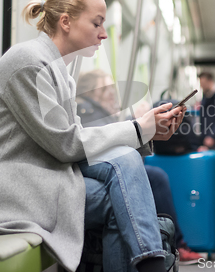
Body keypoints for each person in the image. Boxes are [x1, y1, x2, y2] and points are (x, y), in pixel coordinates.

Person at [0, 0, 186, 272]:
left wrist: (146, 132)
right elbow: (67, 145)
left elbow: (76, 145)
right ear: (66, 22)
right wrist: (138, 129)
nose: (103, 34)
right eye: (96, 23)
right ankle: (151, 264)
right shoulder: (30, 63)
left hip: (31, 176)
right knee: (117, 200)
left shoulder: (59, 71)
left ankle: (150, 263)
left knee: (124, 160)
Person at [76, 70, 204, 265]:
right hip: (94, 170)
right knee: (154, 178)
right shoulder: (89, 112)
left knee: (152, 176)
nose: (113, 94)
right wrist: (138, 126)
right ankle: (169, 248)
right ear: (91, 91)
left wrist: (140, 125)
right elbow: (103, 147)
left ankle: (167, 246)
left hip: (106, 169)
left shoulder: (103, 114)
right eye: (106, 89)